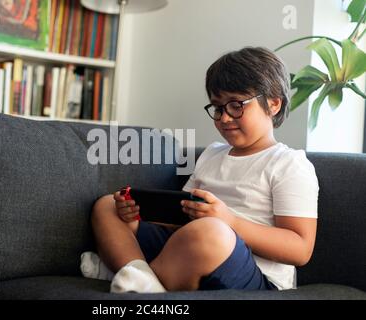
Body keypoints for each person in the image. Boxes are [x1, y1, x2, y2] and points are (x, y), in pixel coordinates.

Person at [83, 47, 319, 293]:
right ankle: (137, 273)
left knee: (210, 232)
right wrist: (137, 215)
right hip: (189, 246)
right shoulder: (211, 154)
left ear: (273, 104)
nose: (225, 118)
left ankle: (126, 272)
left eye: (236, 105)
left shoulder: (289, 163)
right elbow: (181, 220)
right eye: (218, 108)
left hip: (253, 275)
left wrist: (230, 221)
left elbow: (300, 249)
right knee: (108, 205)